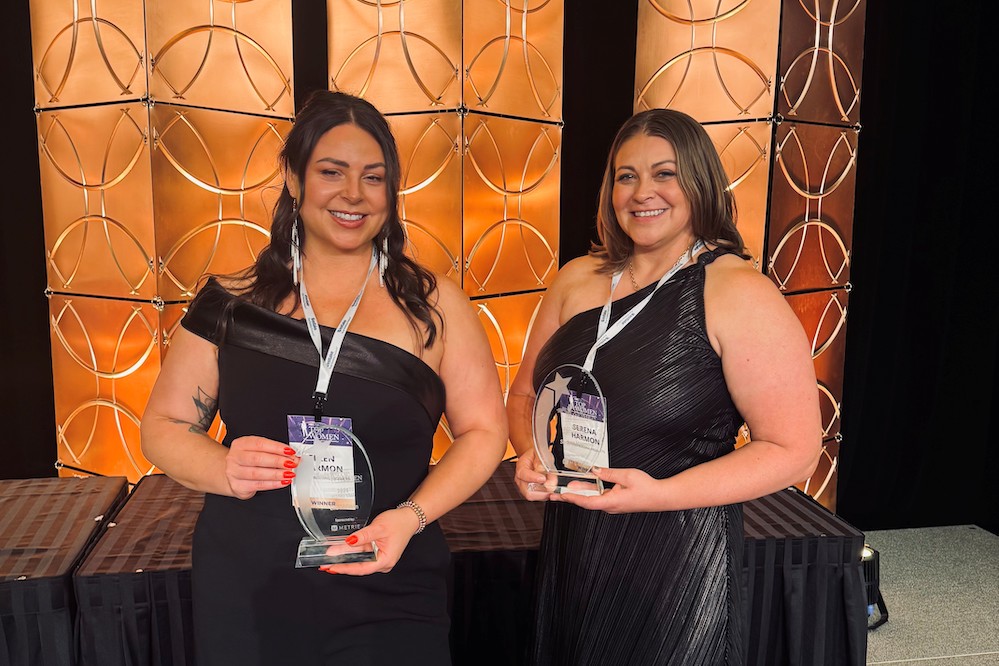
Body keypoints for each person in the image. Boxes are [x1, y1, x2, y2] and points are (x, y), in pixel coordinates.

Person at [140, 89, 508, 665]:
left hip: (390, 575)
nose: (353, 195)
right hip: (249, 586)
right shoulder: (229, 303)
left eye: (374, 177)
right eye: (331, 172)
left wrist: (409, 520)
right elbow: (162, 425)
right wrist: (222, 466)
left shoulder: (436, 307)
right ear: (293, 177)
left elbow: (485, 433)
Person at [507, 108, 822, 665]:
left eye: (664, 173)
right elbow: (525, 393)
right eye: (626, 176)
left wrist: (660, 495)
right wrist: (528, 449)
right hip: (574, 542)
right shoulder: (576, 277)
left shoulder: (738, 292)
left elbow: (794, 452)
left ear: (699, 180)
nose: (642, 192)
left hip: (674, 554)